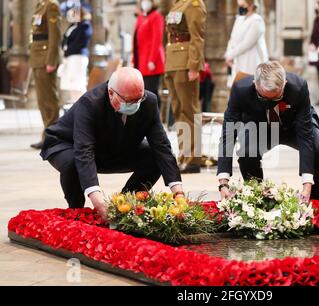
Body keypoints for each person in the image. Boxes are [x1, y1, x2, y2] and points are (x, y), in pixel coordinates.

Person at [40, 67, 185, 221]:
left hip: (113, 145)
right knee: (73, 162)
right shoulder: (90, 103)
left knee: (154, 156)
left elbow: (161, 145)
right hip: (67, 143)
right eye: (129, 101)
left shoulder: (149, 101)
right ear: (111, 93)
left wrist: (178, 193)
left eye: (139, 99)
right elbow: (84, 150)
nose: (136, 105)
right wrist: (97, 200)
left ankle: (125, 204)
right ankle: (76, 211)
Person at [217, 61, 319, 203]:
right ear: (255, 84)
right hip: (260, 127)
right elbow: (228, 133)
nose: (270, 102)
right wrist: (223, 183)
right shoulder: (240, 90)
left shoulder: (299, 86)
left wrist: (307, 185)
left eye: (277, 97)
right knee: (247, 152)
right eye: (264, 98)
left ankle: (312, 200)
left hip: (294, 126)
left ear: (285, 83)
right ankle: (256, 198)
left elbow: (305, 135)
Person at [164, 0, 207, 174]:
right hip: (173, 60)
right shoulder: (178, 4)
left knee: (189, 111)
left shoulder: (194, 4)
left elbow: (197, 36)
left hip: (185, 61)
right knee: (178, 111)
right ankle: (184, 154)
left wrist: (194, 65)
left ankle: (193, 159)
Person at [29, 0, 62, 149]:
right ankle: (47, 134)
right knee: (42, 101)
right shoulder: (40, 5)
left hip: (45, 58)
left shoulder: (51, 5)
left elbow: (55, 34)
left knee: (49, 100)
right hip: (37, 57)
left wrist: (51, 60)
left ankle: (53, 136)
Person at [225, 0, 269, 87]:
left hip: (251, 62)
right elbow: (232, 38)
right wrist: (227, 55)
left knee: (250, 88)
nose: (241, 7)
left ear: (251, 5)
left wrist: (230, 55)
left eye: (243, 5)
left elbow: (246, 44)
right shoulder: (239, 19)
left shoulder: (257, 21)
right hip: (238, 62)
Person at [133, 0, 165, 108]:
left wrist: (152, 59)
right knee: (143, 92)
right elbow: (136, 41)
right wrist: (134, 60)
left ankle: (155, 117)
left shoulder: (156, 16)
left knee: (151, 92)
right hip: (141, 61)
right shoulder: (141, 17)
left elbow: (157, 39)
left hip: (151, 61)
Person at [59, 2, 92, 105]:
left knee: (78, 83)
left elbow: (79, 42)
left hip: (78, 57)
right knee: (71, 83)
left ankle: (81, 104)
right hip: (69, 58)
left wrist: (67, 50)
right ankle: (74, 103)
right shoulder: (72, 26)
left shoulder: (85, 25)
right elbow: (65, 40)